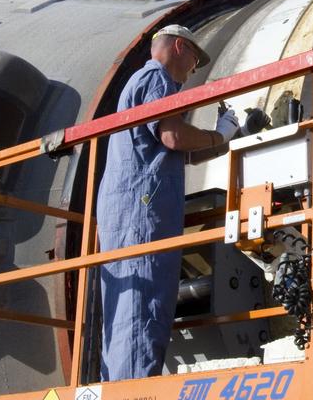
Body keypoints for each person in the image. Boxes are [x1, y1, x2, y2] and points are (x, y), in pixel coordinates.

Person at [97, 24, 239, 381]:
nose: (194, 69)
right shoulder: (156, 79)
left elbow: (173, 151)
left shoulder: (140, 84)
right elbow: (174, 137)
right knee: (144, 302)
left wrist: (221, 140)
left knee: (126, 304)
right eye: (194, 59)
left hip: (129, 210)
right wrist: (218, 133)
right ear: (179, 46)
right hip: (143, 213)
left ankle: (118, 389)